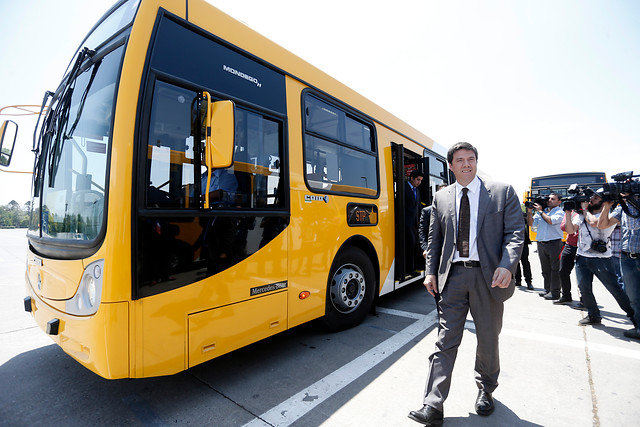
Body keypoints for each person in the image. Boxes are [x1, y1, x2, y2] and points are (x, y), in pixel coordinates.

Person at [408, 142, 524, 425]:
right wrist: (430, 272)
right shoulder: (442, 197)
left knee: (487, 338)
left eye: (471, 159)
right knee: (445, 340)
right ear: (451, 166)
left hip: (490, 278)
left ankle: (486, 390)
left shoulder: (501, 192)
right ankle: (433, 404)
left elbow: (515, 233)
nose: (466, 164)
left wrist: (507, 265)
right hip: (453, 278)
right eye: (460, 160)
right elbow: (435, 239)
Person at [564, 191, 636, 328]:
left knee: (615, 289)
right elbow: (569, 230)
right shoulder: (581, 215)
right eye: (591, 197)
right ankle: (593, 315)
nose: (591, 199)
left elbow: (595, 223)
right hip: (582, 256)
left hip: (602, 259)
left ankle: (634, 316)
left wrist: (584, 209)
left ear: (603, 202)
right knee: (584, 287)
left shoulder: (608, 215)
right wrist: (568, 213)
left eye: (596, 198)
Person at [598, 194, 640, 340]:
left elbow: (634, 224)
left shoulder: (630, 207)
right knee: (633, 297)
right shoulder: (623, 208)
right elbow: (602, 225)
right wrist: (606, 207)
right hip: (627, 257)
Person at [527, 192, 564, 300]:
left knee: (555, 269)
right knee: (545, 270)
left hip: (554, 243)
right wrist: (529, 212)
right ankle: (548, 290)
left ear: (559, 202)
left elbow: (550, 221)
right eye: (549, 198)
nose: (549, 200)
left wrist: (540, 211)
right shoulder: (542, 212)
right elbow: (531, 224)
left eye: (553, 199)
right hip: (541, 244)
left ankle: (555, 292)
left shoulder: (559, 212)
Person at [555, 209, 579, 305]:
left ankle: (584, 300)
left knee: (582, 276)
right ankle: (566, 296)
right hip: (569, 245)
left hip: (582, 246)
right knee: (563, 271)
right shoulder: (570, 212)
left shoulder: (587, 211)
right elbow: (563, 227)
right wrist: (569, 215)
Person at [405, 170, 424, 274]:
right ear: (411, 178)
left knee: (414, 246)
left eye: (420, 180)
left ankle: (414, 267)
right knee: (409, 246)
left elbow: (418, 207)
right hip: (406, 224)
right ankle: (409, 269)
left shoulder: (417, 191)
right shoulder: (403, 188)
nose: (419, 182)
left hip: (415, 224)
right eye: (418, 180)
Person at [515, 211, 533, 290]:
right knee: (515, 262)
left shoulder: (522, 214)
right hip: (512, 240)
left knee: (525, 261)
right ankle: (518, 280)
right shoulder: (507, 213)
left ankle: (529, 281)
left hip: (523, 241)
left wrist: (529, 213)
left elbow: (528, 223)